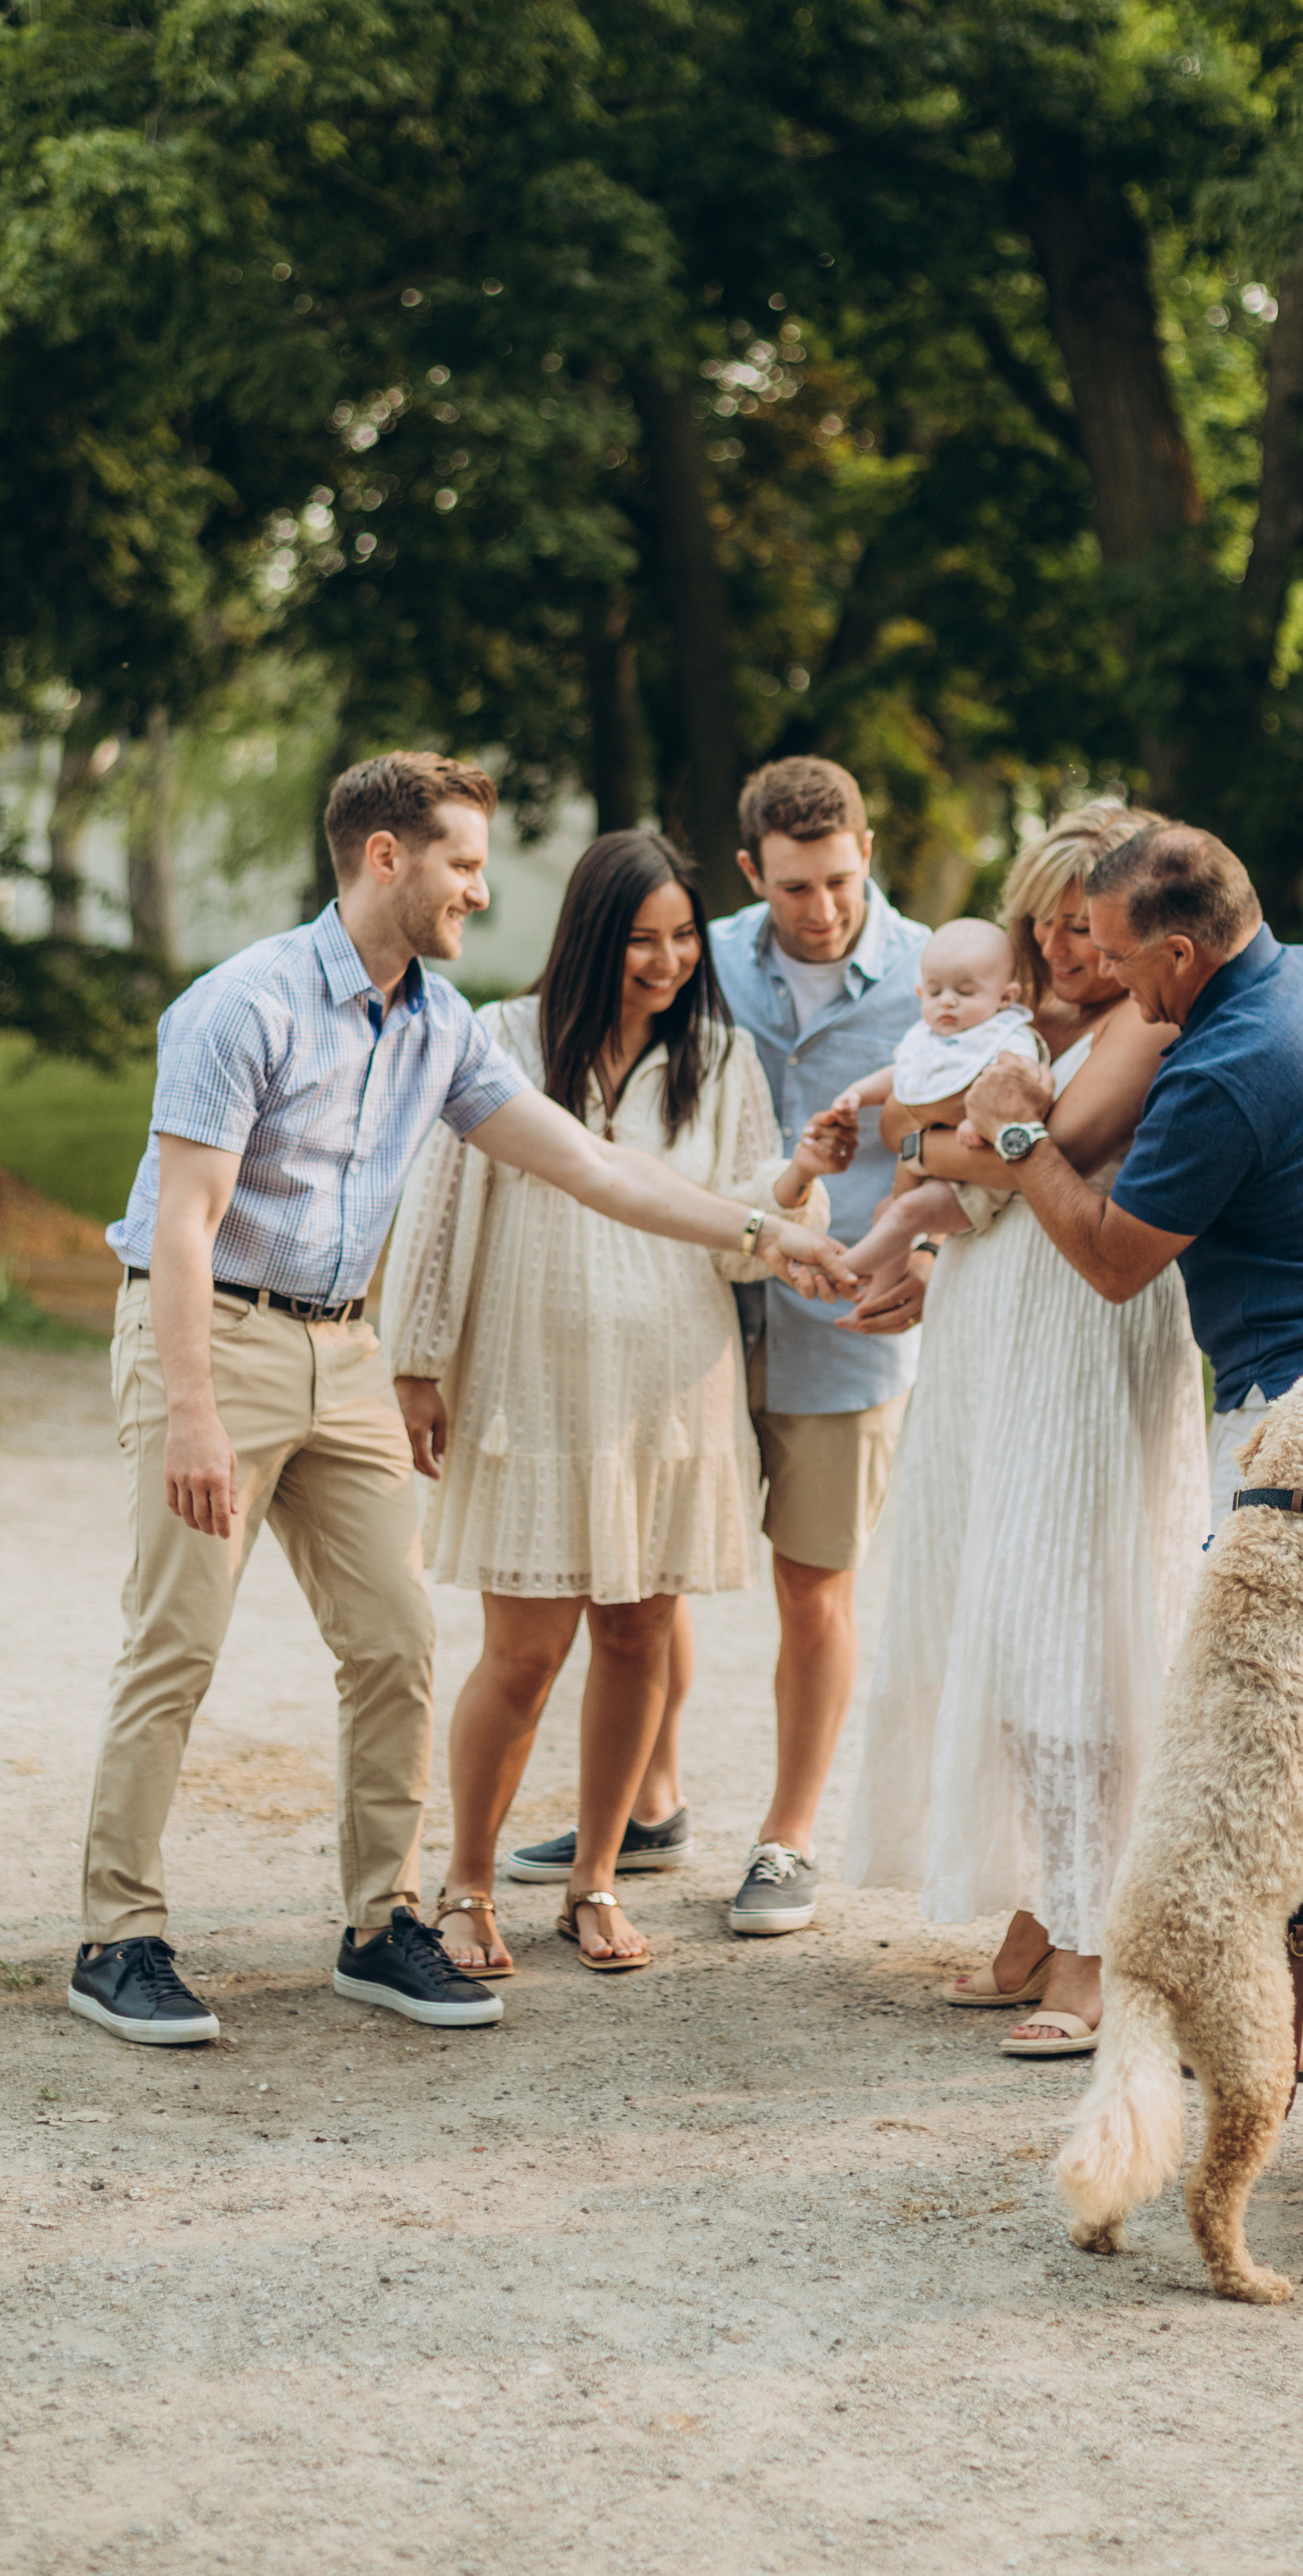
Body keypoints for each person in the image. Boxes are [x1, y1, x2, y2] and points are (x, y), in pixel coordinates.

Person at [71, 755, 849, 2050]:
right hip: (217, 1338)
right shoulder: (242, 1006)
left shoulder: (437, 1026)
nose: (482, 893)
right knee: (178, 1643)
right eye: (464, 865)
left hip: (345, 1356)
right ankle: (120, 1936)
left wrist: (768, 1235)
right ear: (387, 858)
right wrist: (196, 1413)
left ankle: (384, 1924)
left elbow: (596, 1166)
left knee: (396, 1646)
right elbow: (191, 1226)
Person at [381, 831, 843, 1974]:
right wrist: (415, 1362)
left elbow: (744, 1246)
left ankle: (593, 1880)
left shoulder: (723, 1059)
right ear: (592, 937)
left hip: (670, 1392)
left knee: (638, 1634)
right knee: (524, 1653)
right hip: (531, 1385)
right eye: (642, 940)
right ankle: (469, 1885)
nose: (669, 961)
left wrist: (792, 1187)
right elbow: (438, 1208)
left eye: (685, 938)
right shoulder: (502, 1039)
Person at [509, 756, 928, 1939]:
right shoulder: (698, 955)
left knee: (814, 1586)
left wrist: (930, 1259)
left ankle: (788, 1840)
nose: (823, 909)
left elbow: (977, 1145)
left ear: (868, 852)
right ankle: (652, 1804)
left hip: (845, 1327)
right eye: (795, 887)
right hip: (688, 1317)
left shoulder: (935, 974)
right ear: (754, 871)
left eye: (841, 881)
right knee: (649, 1566)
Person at [960, 819, 1303, 1804]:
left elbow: (1112, 1259)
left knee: (1284, 1715)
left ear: (1180, 953)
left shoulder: (1220, 1070)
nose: (1104, 974)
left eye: (1114, 954)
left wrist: (1015, 1133)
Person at [846, 803, 1210, 2053]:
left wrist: (941, 1133)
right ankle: (1035, 1905)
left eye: (1088, 925)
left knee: (1069, 1631)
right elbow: (923, 1139)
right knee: (993, 1615)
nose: (1068, 947)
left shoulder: (1143, 1025)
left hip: (1089, 1331)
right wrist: (930, 1136)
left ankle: (1096, 1945)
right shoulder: (1009, 1024)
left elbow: (1036, 1147)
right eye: (1049, 923)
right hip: (993, 1329)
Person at [830, 915, 1048, 1285]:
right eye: (935, 993)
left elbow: (1023, 1087)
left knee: (905, 1213)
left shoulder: (1007, 1038)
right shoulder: (927, 1039)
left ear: (1006, 997)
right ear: (920, 994)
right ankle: (876, 1296)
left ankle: (842, 1270)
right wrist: (858, 1094)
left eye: (964, 993)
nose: (947, 1002)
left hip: (974, 1180)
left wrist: (979, 1120)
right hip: (922, 1167)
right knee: (888, 1211)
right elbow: (900, 1075)